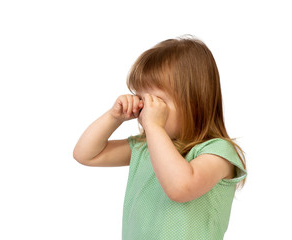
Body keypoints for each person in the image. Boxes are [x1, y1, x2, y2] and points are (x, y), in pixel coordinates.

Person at [73, 36, 247, 240]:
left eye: (156, 101)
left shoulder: (218, 152)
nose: (143, 109)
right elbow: (86, 155)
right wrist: (114, 117)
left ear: (194, 101)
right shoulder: (145, 148)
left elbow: (180, 188)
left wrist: (154, 127)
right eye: (140, 99)